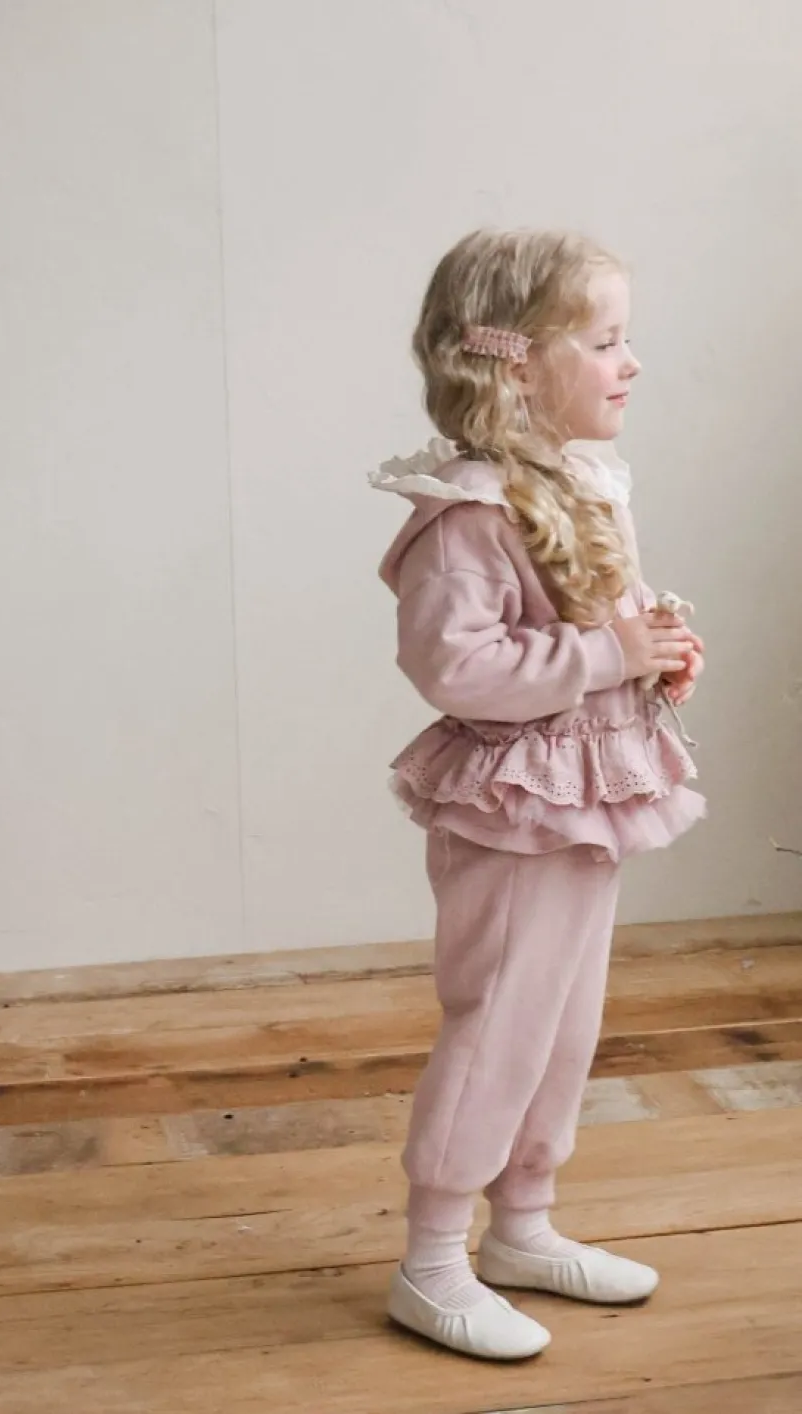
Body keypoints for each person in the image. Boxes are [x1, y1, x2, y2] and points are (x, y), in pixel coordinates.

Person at [371, 229, 705, 1361]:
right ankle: (431, 1259)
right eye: (603, 341)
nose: (631, 361)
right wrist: (606, 657)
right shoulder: (467, 512)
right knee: (499, 1024)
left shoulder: (580, 479)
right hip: (514, 806)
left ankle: (521, 1224)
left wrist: (653, 649)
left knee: (563, 1024)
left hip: (586, 793)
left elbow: (602, 609)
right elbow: (455, 666)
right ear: (515, 362)